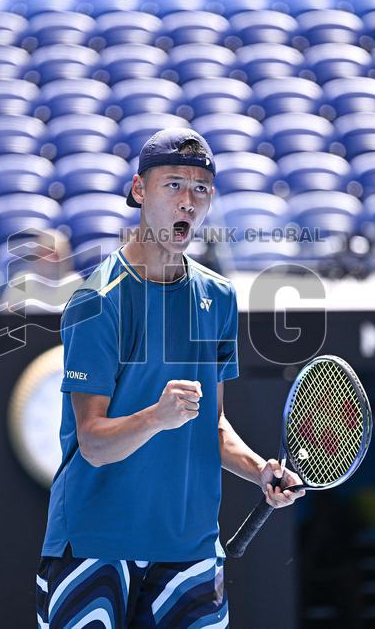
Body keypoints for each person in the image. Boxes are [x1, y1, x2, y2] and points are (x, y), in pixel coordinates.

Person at [35, 128, 305, 628]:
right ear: (139, 190)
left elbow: (211, 424)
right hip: (95, 545)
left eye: (200, 188)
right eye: (173, 184)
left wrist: (259, 471)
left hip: (190, 550)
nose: (188, 200)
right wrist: (157, 417)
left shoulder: (219, 298)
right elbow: (92, 443)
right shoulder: (96, 301)